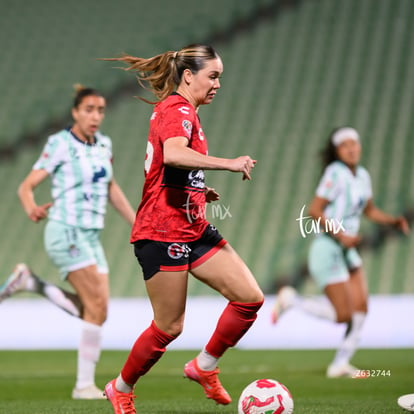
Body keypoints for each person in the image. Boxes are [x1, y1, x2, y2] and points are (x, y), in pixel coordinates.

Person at [101, 44, 264, 413]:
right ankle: (121, 387)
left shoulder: (183, 110)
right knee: (169, 327)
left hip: (192, 227)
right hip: (161, 233)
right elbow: (173, 153)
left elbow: (165, 165)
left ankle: (203, 366)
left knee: (249, 298)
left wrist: (196, 188)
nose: (218, 84)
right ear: (188, 76)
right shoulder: (177, 109)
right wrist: (230, 162)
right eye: (213, 75)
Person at [0, 85, 136, 399]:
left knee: (98, 312)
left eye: (100, 110)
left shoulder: (104, 144)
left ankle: (31, 282)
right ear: (75, 112)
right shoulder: (60, 143)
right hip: (66, 230)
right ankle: (83, 386)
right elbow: (26, 186)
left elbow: (111, 187)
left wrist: (137, 222)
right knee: (97, 307)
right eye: (88, 109)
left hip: (91, 234)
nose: (95, 116)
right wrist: (31, 206)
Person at [271, 126, 410, 378]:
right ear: (337, 151)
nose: (352, 148)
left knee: (361, 309)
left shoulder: (363, 176)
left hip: (347, 251)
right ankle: (292, 300)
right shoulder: (334, 172)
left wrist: (392, 221)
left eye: (354, 143)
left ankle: (340, 364)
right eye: (345, 145)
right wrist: (341, 234)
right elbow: (315, 210)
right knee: (343, 314)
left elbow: (369, 210)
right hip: (328, 248)